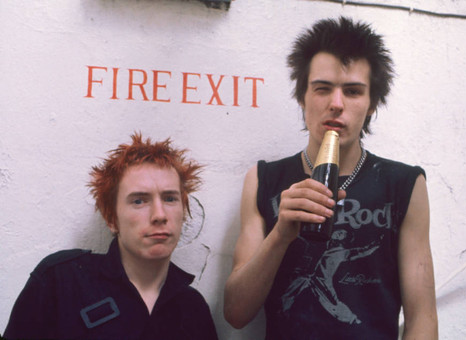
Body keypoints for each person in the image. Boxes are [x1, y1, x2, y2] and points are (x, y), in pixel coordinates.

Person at [224, 17, 438, 339]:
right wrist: (281, 234)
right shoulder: (263, 178)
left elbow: (422, 319)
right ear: (302, 98)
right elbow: (236, 313)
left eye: (352, 92)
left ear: (372, 105)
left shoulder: (404, 184)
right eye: (322, 89)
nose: (336, 104)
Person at [4, 133, 218, 340]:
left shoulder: (193, 308)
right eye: (139, 201)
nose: (159, 215)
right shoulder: (60, 281)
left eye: (170, 198)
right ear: (111, 218)